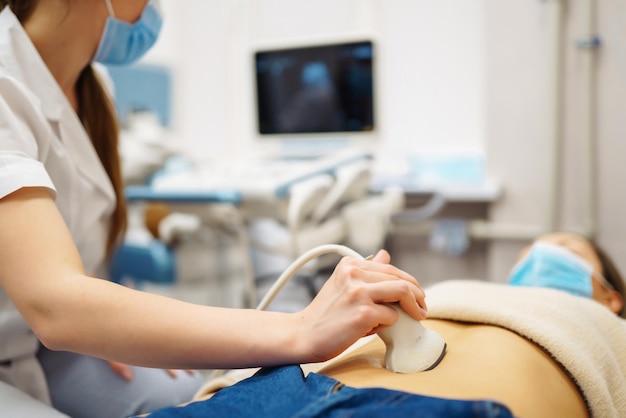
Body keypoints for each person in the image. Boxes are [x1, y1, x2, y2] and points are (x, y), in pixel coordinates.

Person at [0, 1, 427, 417]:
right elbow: (54, 306)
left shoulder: (93, 86)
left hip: (42, 345)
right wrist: (303, 328)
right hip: (20, 345)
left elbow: (63, 259)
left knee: (193, 389)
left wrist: (105, 327)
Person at [152, 231, 626, 418]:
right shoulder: (462, 290)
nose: (538, 256)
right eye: (525, 258)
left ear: (613, 297)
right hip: (272, 396)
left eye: (564, 245)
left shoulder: (611, 333)